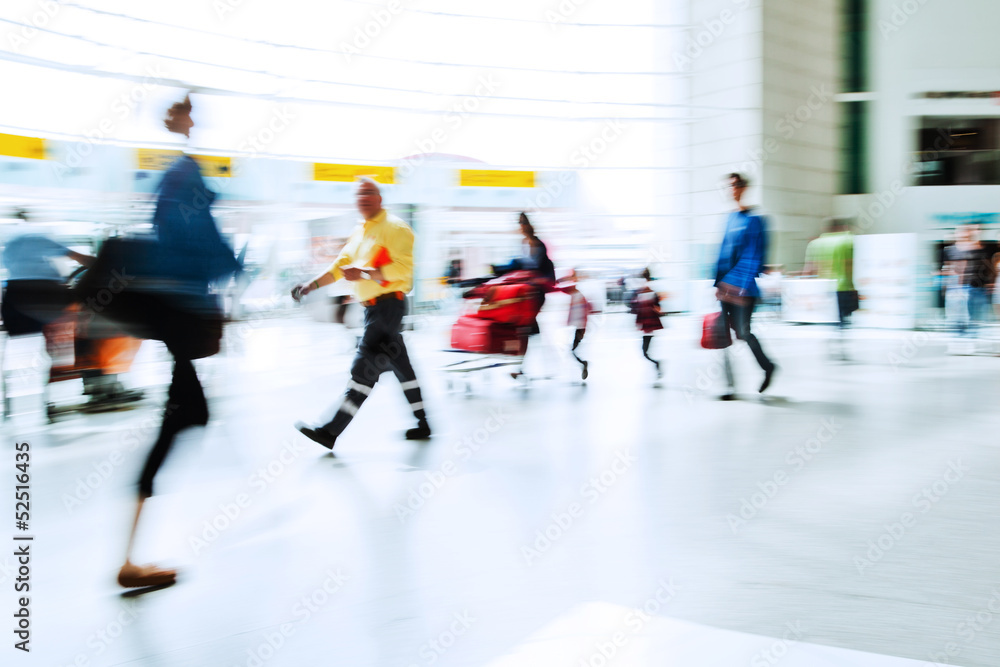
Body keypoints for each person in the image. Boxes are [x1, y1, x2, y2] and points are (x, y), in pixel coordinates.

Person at [86, 95, 240, 588]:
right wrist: (230, 261)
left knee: (188, 412)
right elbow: (193, 240)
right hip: (179, 311)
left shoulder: (177, 173)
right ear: (179, 119)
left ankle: (131, 557)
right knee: (184, 416)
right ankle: (129, 562)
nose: (191, 121)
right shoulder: (184, 173)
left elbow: (175, 231)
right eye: (186, 113)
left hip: (175, 313)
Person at [292, 177, 430, 449]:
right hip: (372, 310)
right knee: (403, 367)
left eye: (369, 193)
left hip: (388, 307)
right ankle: (423, 422)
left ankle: (331, 431)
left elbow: (403, 271)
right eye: (359, 195)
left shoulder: (396, 228)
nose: (363, 198)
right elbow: (339, 267)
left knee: (364, 369)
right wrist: (310, 286)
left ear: (380, 198)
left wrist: (365, 272)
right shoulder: (361, 232)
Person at [715, 173, 776, 399]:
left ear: (744, 188)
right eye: (727, 186)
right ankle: (729, 387)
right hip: (725, 289)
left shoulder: (755, 220)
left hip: (744, 290)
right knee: (722, 336)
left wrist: (739, 285)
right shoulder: (729, 218)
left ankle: (768, 367)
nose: (731, 189)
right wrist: (717, 283)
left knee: (743, 332)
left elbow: (755, 256)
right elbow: (722, 254)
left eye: (735, 185)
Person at [803, 218, 856, 360]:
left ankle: (834, 341)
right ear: (840, 227)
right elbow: (850, 264)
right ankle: (838, 343)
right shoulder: (847, 240)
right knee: (843, 318)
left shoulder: (816, 243)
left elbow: (810, 268)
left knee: (834, 317)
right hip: (844, 286)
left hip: (826, 286)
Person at [631, 268, 663, 380]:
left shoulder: (644, 294)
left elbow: (641, 310)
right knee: (644, 352)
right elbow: (656, 308)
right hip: (648, 327)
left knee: (644, 352)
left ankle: (657, 364)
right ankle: (657, 364)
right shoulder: (647, 293)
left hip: (648, 327)